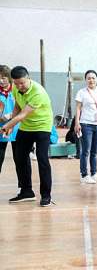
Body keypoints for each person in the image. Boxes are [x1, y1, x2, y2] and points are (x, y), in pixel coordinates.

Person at [2, 66, 54, 207]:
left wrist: (7, 125)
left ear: (29, 78)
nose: (20, 86)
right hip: (26, 127)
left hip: (42, 126)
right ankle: (26, 191)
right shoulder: (15, 87)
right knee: (19, 157)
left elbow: (24, 113)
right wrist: (11, 124)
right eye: (16, 83)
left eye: (22, 83)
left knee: (42, 159)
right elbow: (18, 106)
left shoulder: (38, 93)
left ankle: (46, 195)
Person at [75, 70, 97, 184]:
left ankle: (94, 173)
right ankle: (84, 174)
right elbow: (78, 108)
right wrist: (77, 122)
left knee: (95, 151)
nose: (91, 80)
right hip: (86, 124)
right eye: (89, 78)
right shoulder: (82, 92)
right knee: (86, 150)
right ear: (86, 80)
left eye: (93, 78)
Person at [0, 65, 19, 185]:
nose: (1, 81)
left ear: (9, 78)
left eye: (3, 78)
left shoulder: (17, 90)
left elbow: (25, 107)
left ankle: (25, 189)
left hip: (17, 129)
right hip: (1, 130)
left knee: (20, 160)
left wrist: (11, 115)